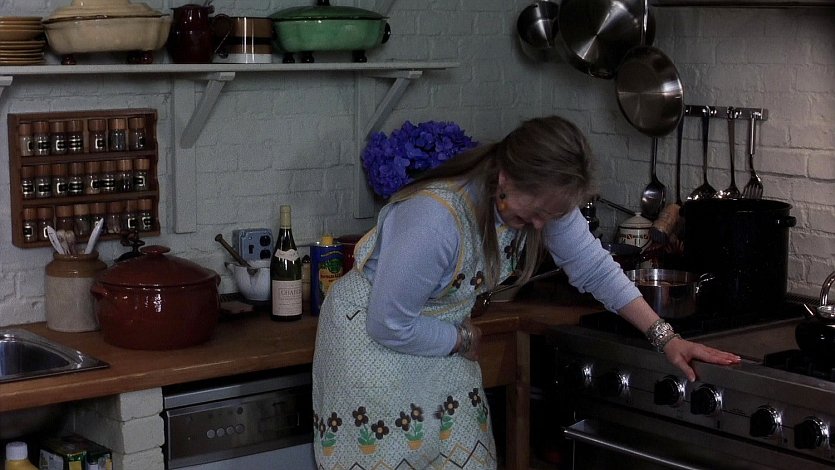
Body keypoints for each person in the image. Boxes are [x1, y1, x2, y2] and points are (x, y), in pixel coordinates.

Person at [311, 115, 740, 469]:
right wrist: (460, 338)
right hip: (373, 346)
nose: (539, 226)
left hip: (437, 341)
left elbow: (592, 266)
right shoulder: (434, 219)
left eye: (549, 216)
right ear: (506, 177)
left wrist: (665, 338)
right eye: (533, 214)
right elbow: (388, 324)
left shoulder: (542, 197)